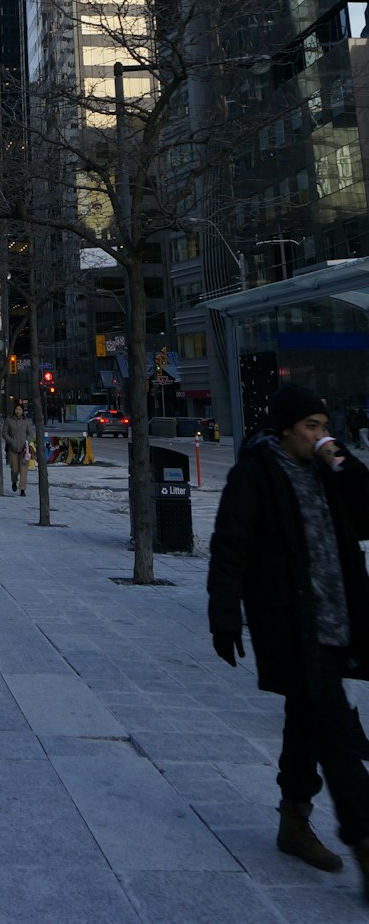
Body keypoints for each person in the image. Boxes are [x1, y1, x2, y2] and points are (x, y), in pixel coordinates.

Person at [208, 383, 369, 894]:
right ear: (285, 430)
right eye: (311, 427)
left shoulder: (328, 473)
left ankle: (293, 820)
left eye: (325, 426)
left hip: (338, 619)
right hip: (291, 623)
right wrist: (224, 615)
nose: (321, 435)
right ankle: (364, 838)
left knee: (307, 718)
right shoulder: (256, 473)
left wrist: (343, 461)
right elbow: (230, 544)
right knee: (338, 731)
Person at [2, 401, 36, 496]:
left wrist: (27, 441)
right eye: (16, 409)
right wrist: (11, 441)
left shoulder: (26, 421)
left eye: (20, 409)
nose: (18, 411)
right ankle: (14, 481)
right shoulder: (9, 420)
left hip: (24, 450)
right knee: (15, 469)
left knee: (24, 470)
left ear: (22, 411)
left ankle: (22, 489)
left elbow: (30, 433)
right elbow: (4, 433)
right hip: (13, 449)